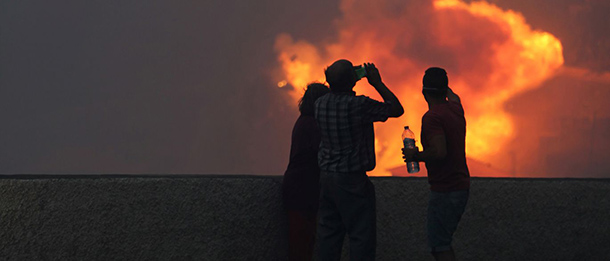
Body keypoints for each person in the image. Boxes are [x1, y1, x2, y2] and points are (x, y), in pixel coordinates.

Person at [315, 59, 404, 260]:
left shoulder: (319, 103)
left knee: (329, 236)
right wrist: (377, 83)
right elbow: (396, 109)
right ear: (352, 80)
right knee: (361, 236)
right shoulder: (358, 105)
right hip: (351, 180)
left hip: (327, 178)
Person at [402, 67, 470, 261]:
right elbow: (454, 96)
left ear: (423, 92)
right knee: (443, 242)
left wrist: (415, 156)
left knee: (439, 246)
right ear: (445, 89)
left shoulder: (432, 118)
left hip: (445, 189)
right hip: (460, 185)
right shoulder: (456, 108)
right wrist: (443, 85)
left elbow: (439, 152)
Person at [282, 83, 330, 261]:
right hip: (302, 189)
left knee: (303, 241)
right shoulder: (312, 124)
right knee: (301, 243)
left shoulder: (304, 121)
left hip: (301, 188)